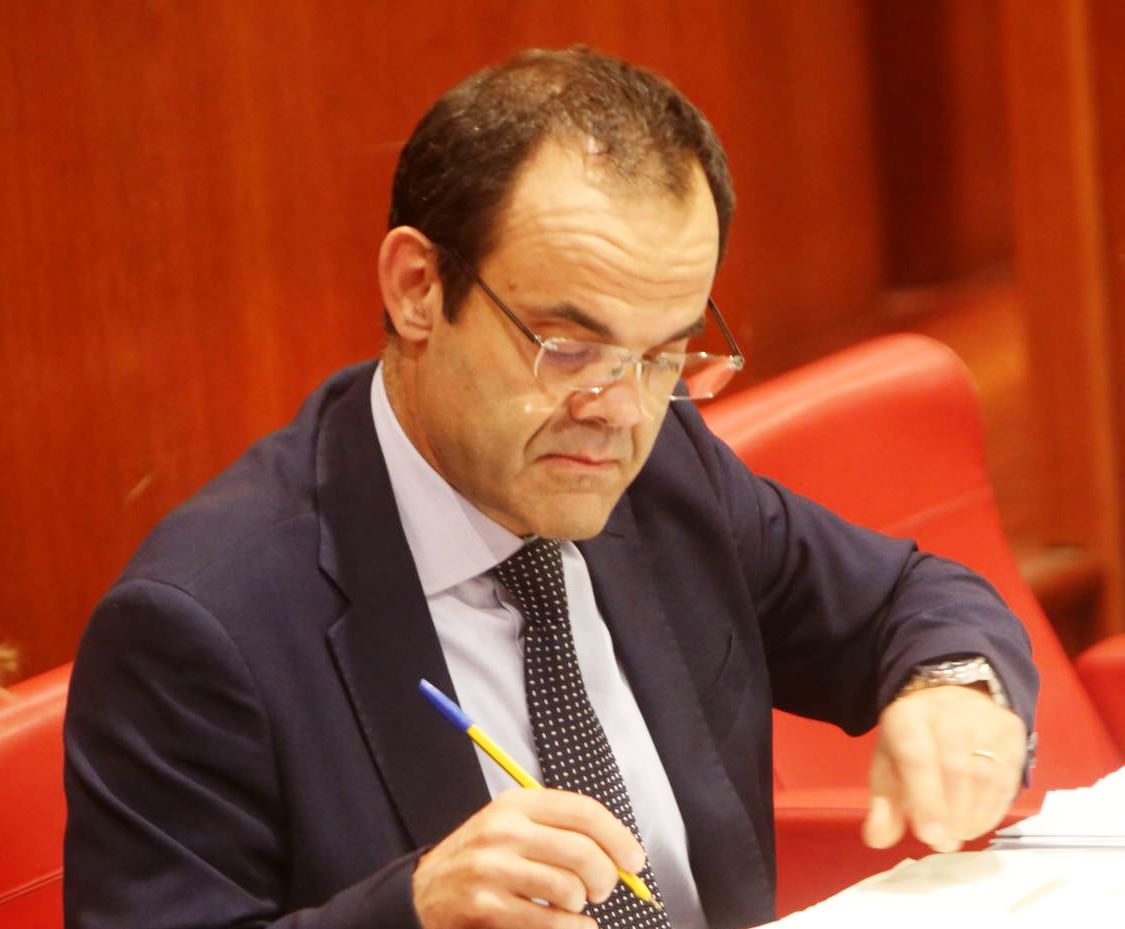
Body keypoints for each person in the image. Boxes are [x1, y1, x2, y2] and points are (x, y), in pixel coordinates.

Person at [64, 47, 1036, 929]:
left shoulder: (662, 467)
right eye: (569, 347)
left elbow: (909, 599)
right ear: (416, 288)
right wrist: (411, 912)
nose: (620, 409)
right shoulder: (202, 626)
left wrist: (954, 686)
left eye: (665, 354)